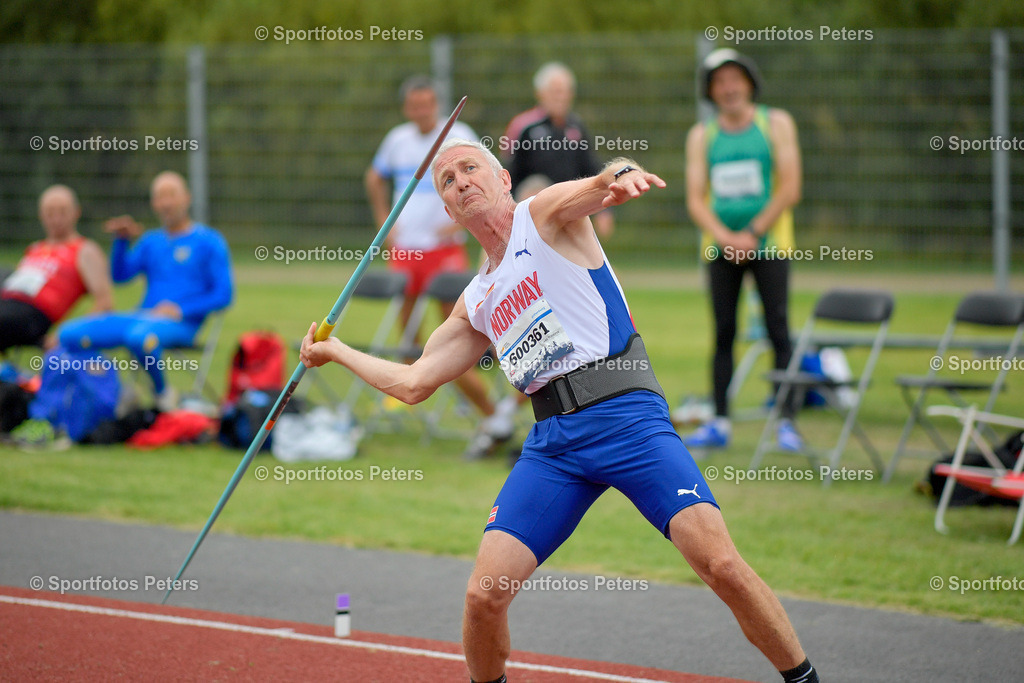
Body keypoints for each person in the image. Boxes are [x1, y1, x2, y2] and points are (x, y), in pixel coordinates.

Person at [301, 140, 818, 683]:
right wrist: (335, 350)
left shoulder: (541, 216)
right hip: (555, 447)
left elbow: (601, 184)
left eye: (469, 168)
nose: (459, 181)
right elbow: (412, 383)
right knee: (484, 596)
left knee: (721, 566)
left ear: (502, 178)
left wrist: (624, 174)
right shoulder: (476, 299)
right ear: (448, 211)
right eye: (446, 181)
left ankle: (804, 679)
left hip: (628, 419)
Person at [366, 75, 515, 458]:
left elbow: (481, 176)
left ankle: (490, 401)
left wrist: (462, 218)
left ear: (437, 103)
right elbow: (374, 178)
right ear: (406, 108)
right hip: (407, 248)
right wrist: (385, 223)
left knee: (460, 331)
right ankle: (414, 388)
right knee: (409, 335)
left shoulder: (458, 133)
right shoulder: (397, 140)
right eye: (415, 105)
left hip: (444, 250)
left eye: (427, 104)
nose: (422, 111)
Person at [681, 49, 804, 452]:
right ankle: (720, 421)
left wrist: (752, 233)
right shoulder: (702, 135)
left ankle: (786, 421)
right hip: (720, 250)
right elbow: (696, 199)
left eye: (735, 80)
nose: (729, 89)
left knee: (778, 329)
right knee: (724, 332)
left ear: (749, 84)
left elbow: (790, 186)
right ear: (711, 91)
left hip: (770, 245)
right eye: (719, 82)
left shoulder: (776, 123)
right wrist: (726, 238)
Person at [58, 171, 233, 411]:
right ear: (154, 204)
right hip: (142, 316)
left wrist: (180, 310)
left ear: (187, 198)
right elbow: (120, 276)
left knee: (139, 337)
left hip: (182, 325)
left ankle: (163, 394)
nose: (166, 202)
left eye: (172, 195)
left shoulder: (209, 241)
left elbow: (224, 295)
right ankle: (113, 391)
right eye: (160, 197)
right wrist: (121, 241)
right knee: (69, 334)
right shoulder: (151, 241)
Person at [1, 185, 113, 352]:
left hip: (32, 316)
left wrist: (65, 334)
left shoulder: (84, 250)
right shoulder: (35, 248)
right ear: (41, 215)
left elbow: (105, 304)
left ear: (76, 212)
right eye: (50, 212)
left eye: (63, 212)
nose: (56, 219)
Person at [507, 62, 614, 237]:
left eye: (566, 91)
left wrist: (604, 208)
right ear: (540, 94)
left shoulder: (576, 127)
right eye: (556, 92)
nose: (562, 97)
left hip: (571, 214)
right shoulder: (524, 127)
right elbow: (509, 175)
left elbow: (590, 170)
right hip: (534, 217)